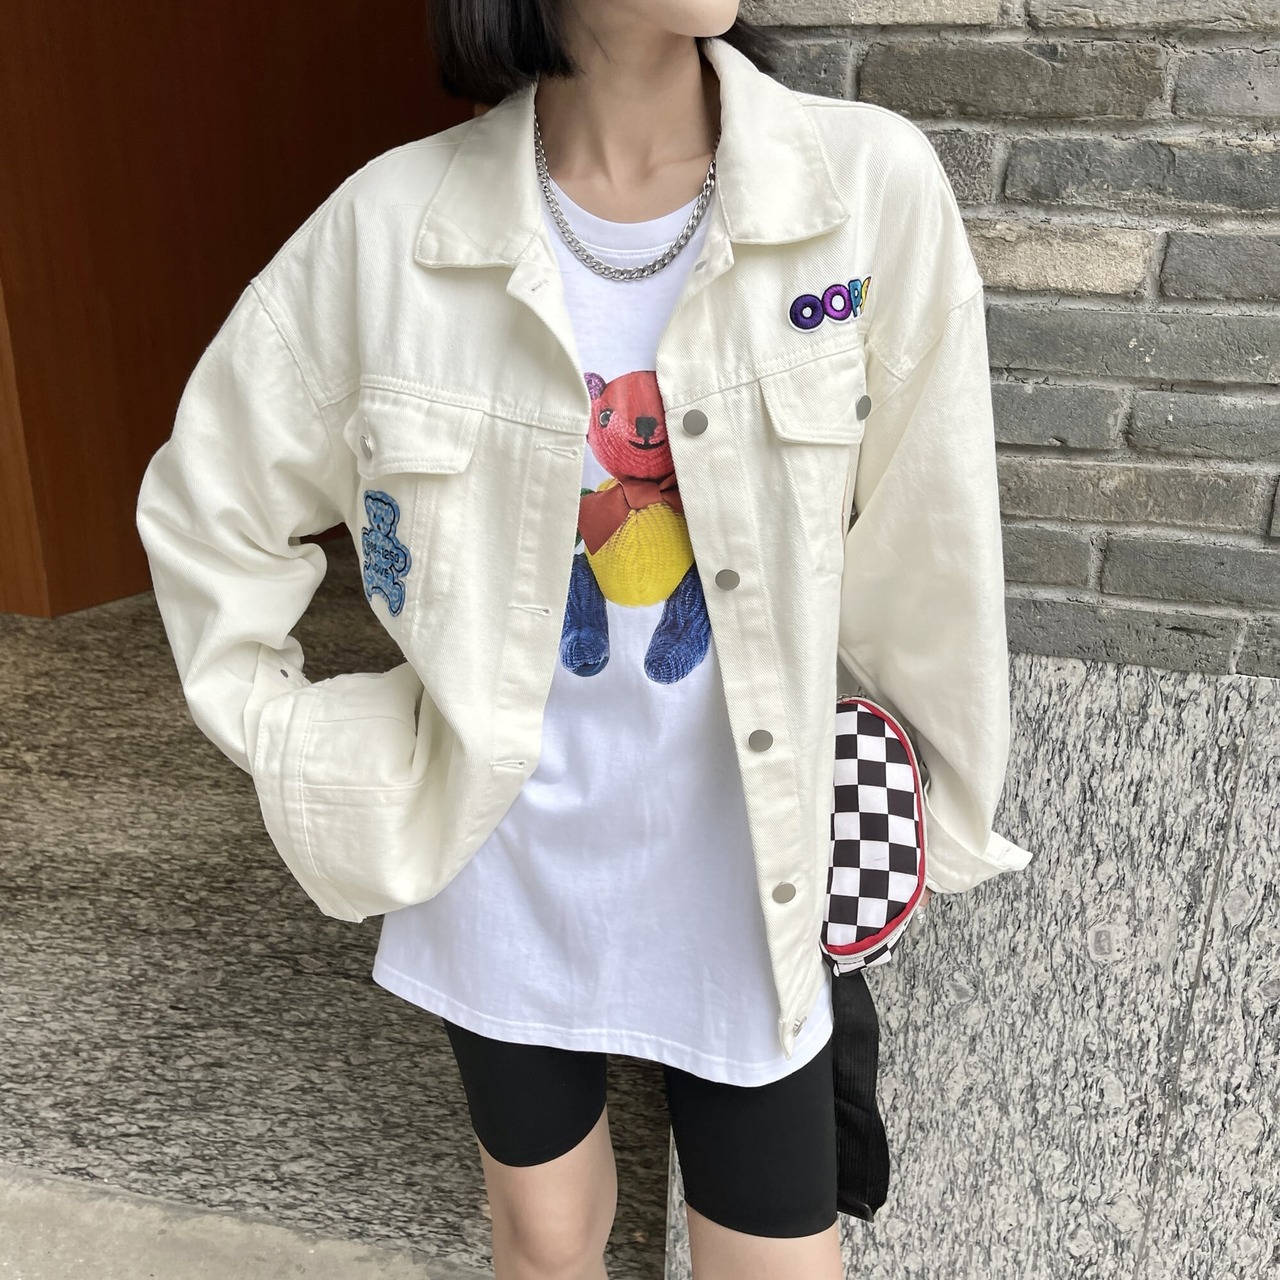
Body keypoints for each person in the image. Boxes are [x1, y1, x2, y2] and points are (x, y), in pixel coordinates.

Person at [136, 2, 1032, 1277]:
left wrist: (929, 811)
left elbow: (932, 538)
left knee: (776, 1258)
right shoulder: (392, 227)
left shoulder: (860, 186)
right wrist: (307, 745)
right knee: (545, 1236)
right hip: (500, 860)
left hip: (751, 871)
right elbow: (209, 508)